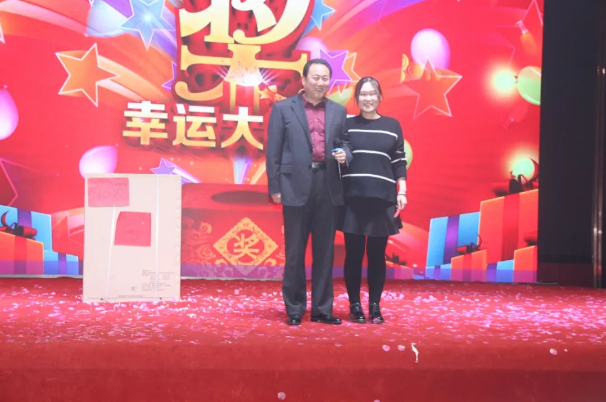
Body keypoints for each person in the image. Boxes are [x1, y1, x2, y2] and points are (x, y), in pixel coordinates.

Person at [266, 58, 353, 326]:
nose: (320, 82)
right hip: (294, 185)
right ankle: (294, 309)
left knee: (325, 252)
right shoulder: (283, 108)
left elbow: (346, 143)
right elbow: (273, 151)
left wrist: (345, 154)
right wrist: (275, 187)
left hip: (328, 185)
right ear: (303, 80)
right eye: (315, 77)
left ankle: (322, 309)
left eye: (325, 78)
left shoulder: (339, 111)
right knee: (295, 251)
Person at [339, 77, 408, 324]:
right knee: (354, 254)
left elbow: (399, 160)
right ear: (356, 98)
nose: (367, 98)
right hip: (353, 198)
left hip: (383, 198)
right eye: (363, 94)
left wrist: (402, 191)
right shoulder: (346, 125)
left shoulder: (392, 125)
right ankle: (355, 306)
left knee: (377, 255)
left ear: (379, 97)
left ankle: (375, 307)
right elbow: (340, 154)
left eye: (372, 94)